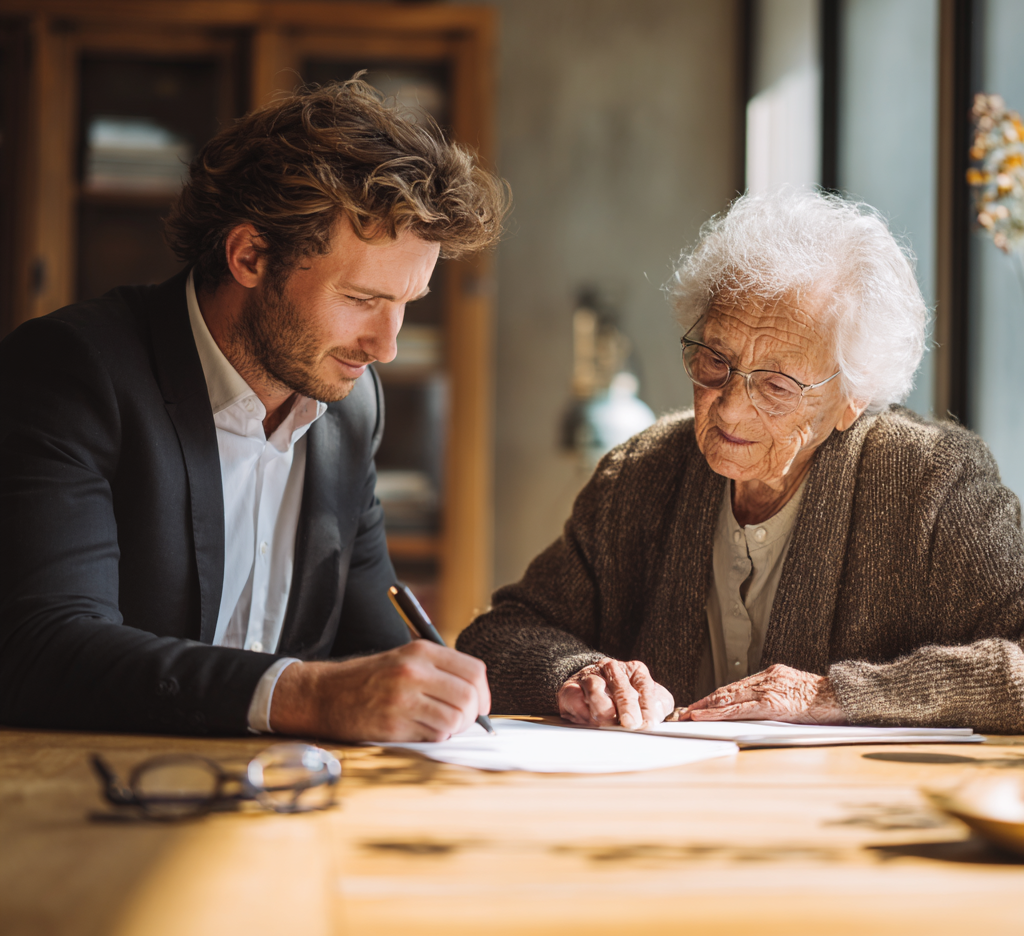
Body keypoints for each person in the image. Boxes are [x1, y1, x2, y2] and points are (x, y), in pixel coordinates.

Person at [0, 79, 508, 742]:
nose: (387, 346)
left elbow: (376, 646)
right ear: (249, 256)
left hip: (277, 806)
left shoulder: (350, 409)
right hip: (91, 805)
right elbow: (43, 650)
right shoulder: (73, 371)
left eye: (406, 303)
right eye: (360, 298)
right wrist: (309, 696)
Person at [458, 186, 1024, 733]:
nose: (729, 409)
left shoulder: (932, 484)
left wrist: (835, 695)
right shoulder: (642, 471)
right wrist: (578, 676)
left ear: (853, 397)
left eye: (776, 385)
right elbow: (500, 634)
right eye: (715, 362)